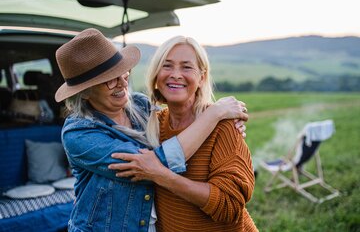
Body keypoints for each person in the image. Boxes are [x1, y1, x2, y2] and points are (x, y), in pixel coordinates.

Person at [54, 28, 249, 232]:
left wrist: (223, 120)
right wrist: (214, 114)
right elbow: (152, 165)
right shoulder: (79, 134)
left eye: (123, 73)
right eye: (110, 79)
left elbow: (179, 113)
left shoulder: (141, 106)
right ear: (85, 92)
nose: (122, 84)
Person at [110, 36, 258, 231]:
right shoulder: (152, 124)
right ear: (155, 75)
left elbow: (229, 206)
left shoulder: (223, 125)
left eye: (187, 67)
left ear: (202, 78)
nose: (176, 75)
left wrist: (162, 176)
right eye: (167, 66)